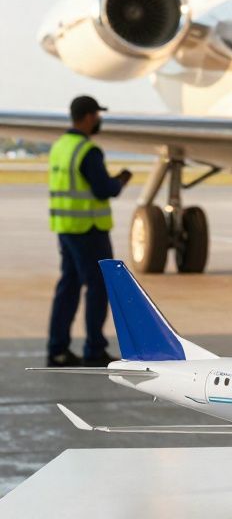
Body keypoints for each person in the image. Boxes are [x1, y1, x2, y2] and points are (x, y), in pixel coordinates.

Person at [47, 95, 131, 367]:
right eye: (97, 115)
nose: (98, 120)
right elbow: (104, 189)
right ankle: (94, 349)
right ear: (88, 117)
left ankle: (57, 349)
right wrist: (120, 181)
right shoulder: (87, 151)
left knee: (68, 287)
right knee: (97, 288)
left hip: (66, 228)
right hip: (89, 229)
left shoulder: (60, 146)